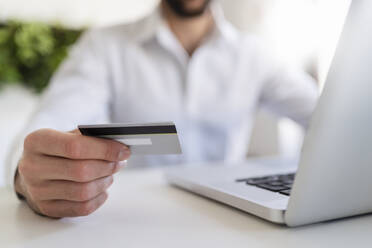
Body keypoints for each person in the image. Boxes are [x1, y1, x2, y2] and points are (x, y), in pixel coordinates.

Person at [7, 0, 318, 218]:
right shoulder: (105, 46)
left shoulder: (255, 54)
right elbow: (41, 131)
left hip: (236, 221)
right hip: (140, 222)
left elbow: (326, 117)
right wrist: (26, 177)